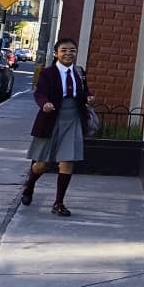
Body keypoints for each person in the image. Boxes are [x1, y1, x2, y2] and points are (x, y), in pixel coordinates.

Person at [22, 37, 91, 216]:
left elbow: (83, 92)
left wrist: (88, 98)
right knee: (41, 164)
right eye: (64, 50)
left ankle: (59, 203)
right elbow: (40, 93)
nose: (68, 53)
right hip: (51, 118)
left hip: (73, 118)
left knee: (67, 160)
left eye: (72, 50)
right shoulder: (48, 73)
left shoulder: (79, 72)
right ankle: (29, 185)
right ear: (56, 53)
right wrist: (44, 104)